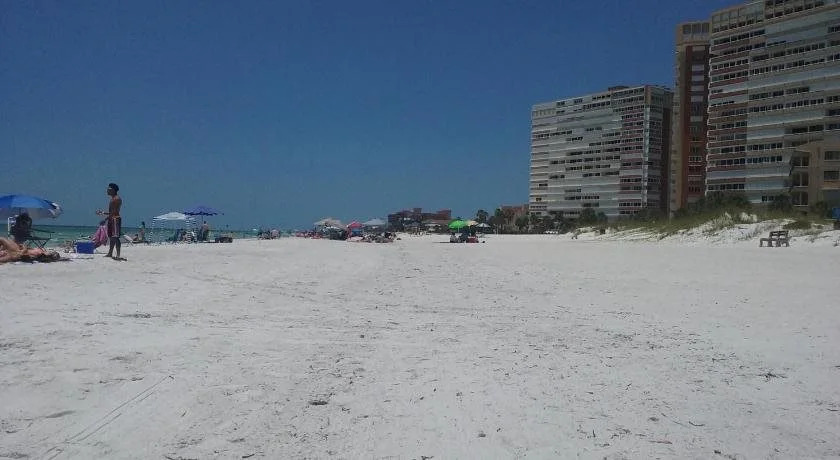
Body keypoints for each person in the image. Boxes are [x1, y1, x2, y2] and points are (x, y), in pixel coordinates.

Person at [96, 182, 123, 259]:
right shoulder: (113, 199)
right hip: (112, 219)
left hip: (115, 219)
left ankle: (118, 255)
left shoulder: (117, 199)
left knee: (116, 237)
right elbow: (111, 212)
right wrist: (102, 213)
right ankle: (110, 253)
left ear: (113, 190)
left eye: (109, 189)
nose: (107, 190)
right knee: (111, 237)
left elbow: (114, 212)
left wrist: (105, 219)